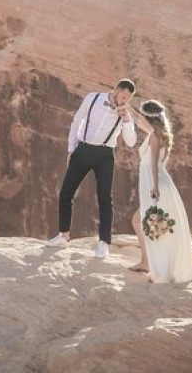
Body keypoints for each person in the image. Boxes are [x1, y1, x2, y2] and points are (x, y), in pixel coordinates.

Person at [46, 78, 137, 259]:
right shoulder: (93, 98)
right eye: (123, 96)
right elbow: (77, 120)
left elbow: (131, 141)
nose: (124, 101)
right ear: (115, 90)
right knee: (66, 192)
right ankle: (63, 235)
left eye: (128, 98)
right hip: (84, 149)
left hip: (105, 155)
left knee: (105, 198)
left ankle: (104, 243)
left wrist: (126, 120)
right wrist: (71, 148)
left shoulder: (126, 113)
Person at [127, 99, 192, 283]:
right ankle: (146, 261)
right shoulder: (159, 134)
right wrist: (126, 108)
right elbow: (140, 120)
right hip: (159, 183)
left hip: (155, 183)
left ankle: (155, 266)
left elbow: (155, 164)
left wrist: (154, 187)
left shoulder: (155, 137)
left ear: (150, 119)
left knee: (154, 225)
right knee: (143, 222)